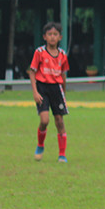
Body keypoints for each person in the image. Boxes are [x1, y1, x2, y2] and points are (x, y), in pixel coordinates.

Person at [28, 22, 70, 162]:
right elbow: (32, 72)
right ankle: (40, 145)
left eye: (55, 34)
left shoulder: (63, 55)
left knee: (59, 121)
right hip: (42, 88)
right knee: (44, 120)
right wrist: (35, 92)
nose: (52, 37)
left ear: (60, 37)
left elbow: (63, 76)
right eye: (50, 34)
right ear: (44, 37)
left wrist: (63, 93)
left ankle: (62, 154)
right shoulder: (39, 52)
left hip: (56, 89)